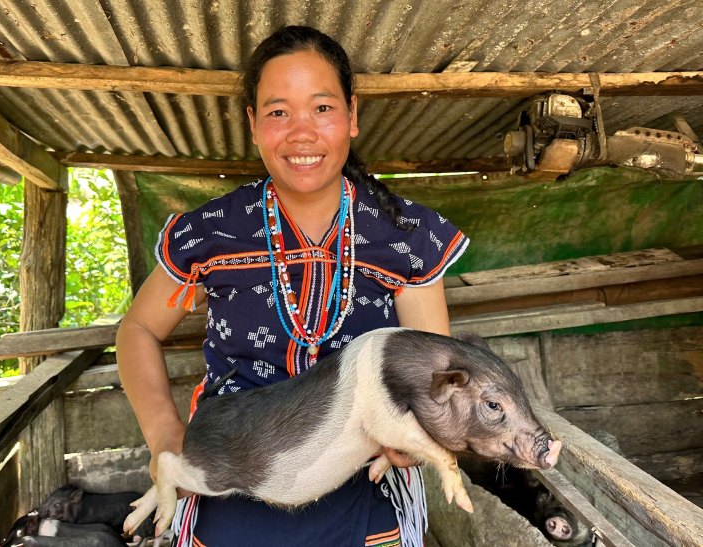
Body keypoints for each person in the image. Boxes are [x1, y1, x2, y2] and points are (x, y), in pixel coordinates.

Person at [117, 25, 469, 547]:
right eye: (278, 112)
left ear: (352, 116)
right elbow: (139, 329)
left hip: (366, 479)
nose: (302, 133)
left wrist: (417, 434)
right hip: (234, 474)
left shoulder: (406, 237)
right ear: (253, 125)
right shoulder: (212, 233)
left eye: (322, 108)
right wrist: (165, 436)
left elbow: (432, 373)